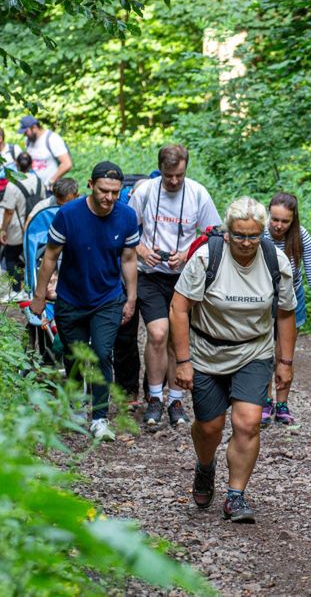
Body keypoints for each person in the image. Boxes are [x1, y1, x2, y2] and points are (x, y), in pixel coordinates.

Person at [170, 197, 297, 523]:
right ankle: (205, 465)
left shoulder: (274, 260)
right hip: (207, 351)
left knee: (248, 421)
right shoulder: (206, 257)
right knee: (210, 426)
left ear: (262, 233)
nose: (246, 243)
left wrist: (285, 362)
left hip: (253, 351)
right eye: (239, 235)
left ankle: (235, 496)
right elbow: (179, 308)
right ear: (227, 233)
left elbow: (285, 314)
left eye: (253, 236)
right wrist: (183, 361)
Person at [29, 161, 139, 441]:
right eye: (104, 191)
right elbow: (50, 257)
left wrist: (131, 298)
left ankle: (100, 417)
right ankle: (77, 406)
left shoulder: (126, 216)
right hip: (72, 297)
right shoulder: (68, 214)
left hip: (108, 298)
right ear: (91, 185)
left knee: (102, 353)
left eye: (115, 192)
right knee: (75, 354)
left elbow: (128, 258)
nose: (109, 198)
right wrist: (39, 297)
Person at [128, 144, 222, 429]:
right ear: (161, 169)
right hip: (150, 274)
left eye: (179, 175)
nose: (173, 181)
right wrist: (143, 250)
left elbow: (213, 234)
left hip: (184, 277)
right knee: (157, 333)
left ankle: (176, 400)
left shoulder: (197, 193)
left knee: (175, 338)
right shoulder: (144, 191)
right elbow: (128, 230)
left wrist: (188, 253)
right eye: (169, 176)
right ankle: (155, 397)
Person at [260, 191, 311, 426]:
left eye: (284, 221)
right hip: (263, 298)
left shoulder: (300, 237)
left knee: (284, 354)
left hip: (292, 297)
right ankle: (265, 401)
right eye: (275, 219)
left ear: (293, 220)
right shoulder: (259, 233)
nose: (278, 225)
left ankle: (282, 403)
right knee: (264, 352)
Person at [0, 153, 45, 302]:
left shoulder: (12, 185)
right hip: (35, 228)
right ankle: (32, 288)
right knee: (33, 258)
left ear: (17, 166)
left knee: (11, 258)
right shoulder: (39, 181)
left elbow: (9, 211)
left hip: (16, 228)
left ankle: (16, 290)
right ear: (31, 165)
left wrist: (3, 229)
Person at [18, 115, 72, 191]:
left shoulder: (52, 139)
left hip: (50, 189)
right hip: (35, 188)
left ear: (34, 127)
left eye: (26, 132)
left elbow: (67, 164)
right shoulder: (28, 140)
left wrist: (51, 181)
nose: (25, 134)